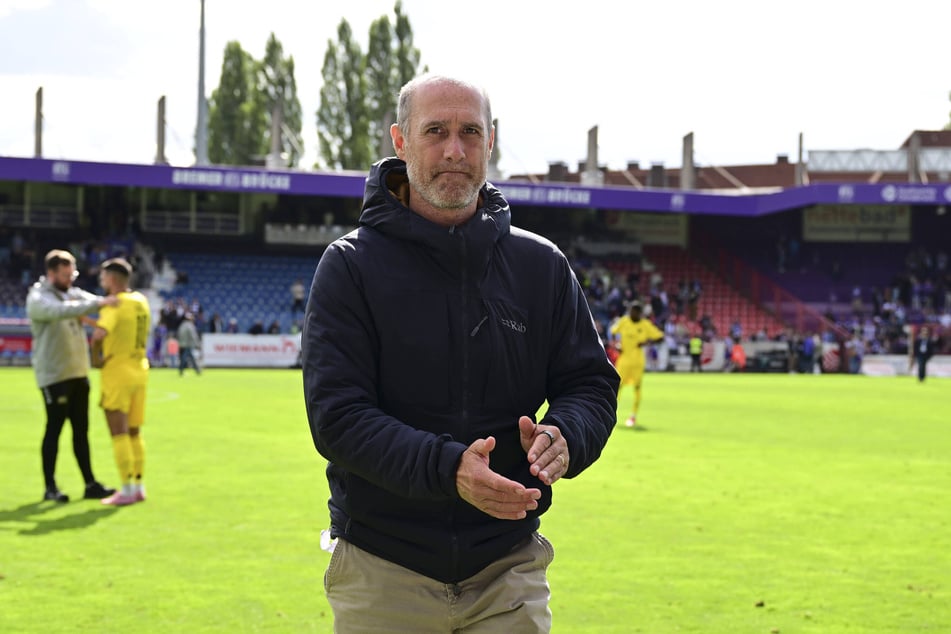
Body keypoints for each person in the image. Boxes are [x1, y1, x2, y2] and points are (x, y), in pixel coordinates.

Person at [301, 74, 619, 633]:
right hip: (383, 568)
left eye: (470, 132)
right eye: (436, 132)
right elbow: (338, 418)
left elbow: (590, 384)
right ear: (400, 141)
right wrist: (450, 469)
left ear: (490, 141)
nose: (455, 149)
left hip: (507, 568)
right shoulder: (350, 267)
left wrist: (566, 435)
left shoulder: (541, 266)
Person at [26, 249, 117, 503]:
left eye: (72, 274)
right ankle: (50, 487)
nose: (70, 279)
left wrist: (106, 302)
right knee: (54, 428)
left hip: (78, 373)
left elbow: (93, 300)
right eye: (65, 275)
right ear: (51, 273)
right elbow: (59, 311)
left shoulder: (73, 293)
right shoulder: (38, 298)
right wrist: (100, 304)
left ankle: (90, 483)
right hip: (55, 376)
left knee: (81, 431)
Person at [90, 258, 151, 506]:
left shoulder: (114, 304)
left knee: (119, 433)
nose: (101, 281)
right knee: (135, 432)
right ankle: (138, 486)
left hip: (117, 371)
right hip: (140, 369)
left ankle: (125, 488)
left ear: (112, 279)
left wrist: (96, 359)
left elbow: (98, 336)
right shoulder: (141, 301)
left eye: (103, 277)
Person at [610, 300, 664, 428]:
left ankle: (633, 416)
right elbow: (613, 332)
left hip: (637, 362)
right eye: (631, 311)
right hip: (624, 360)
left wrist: (647, 343)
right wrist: (616, 345)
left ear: (640, 313)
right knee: (617, 387)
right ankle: (611, 413)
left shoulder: (645, 325)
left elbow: (660, 337)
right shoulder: (624, 321)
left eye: (635, 312)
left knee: (637, 389)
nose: (632, 314)